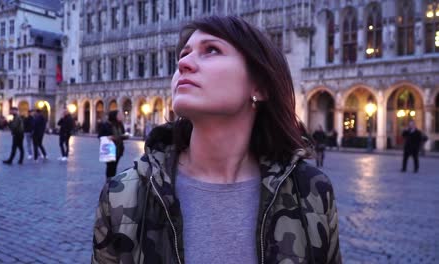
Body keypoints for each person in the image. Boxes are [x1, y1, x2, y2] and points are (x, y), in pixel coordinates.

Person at [92, 16, 341, 264]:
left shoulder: (311, 192)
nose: (183, 63)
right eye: (183, 54)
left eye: (211, 50)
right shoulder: (123, 195)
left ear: (260, 86)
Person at [97, 110, 129, 179]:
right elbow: (100, 136)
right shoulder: (106, 125)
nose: (121, 116)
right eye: (119, 115)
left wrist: (125, 136)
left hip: (118, 149)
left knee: (114, 167)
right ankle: (109, 182)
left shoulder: (120, 124)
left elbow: (122, 134)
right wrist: (108, 137)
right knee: (110, 167)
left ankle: (112, 182)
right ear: (114, 116)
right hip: (109, 149)